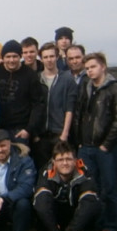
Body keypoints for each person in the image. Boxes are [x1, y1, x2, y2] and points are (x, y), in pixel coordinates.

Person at [73, 52, 117, 231]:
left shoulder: (115, 89)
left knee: (110, 187)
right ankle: (93, 224)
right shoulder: (85, 86)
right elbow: (79, 113)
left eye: (93, 67)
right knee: (89, 186)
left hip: (106, 148)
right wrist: (79, 140)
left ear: (103, 66)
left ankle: (111, 225)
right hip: (86, 147)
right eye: (87, 68)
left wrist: (106, 144)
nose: (90, 71)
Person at [34, 140, 101, 231]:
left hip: (75, 211)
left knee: (93, 203)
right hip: (57, 213)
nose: (65, 163)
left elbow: (87, 206)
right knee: (39, 202)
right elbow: (42, 205)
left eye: (69, 159)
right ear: (54, 162)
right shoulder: (46, 172)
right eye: (60, 160)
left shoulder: (85, 173)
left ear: (75, 161)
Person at [33, 42, 78, 170]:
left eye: (52, 56)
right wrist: (35, 134)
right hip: (40, 135)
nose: (49, 60)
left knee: (61, 169)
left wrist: (64, 134)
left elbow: (70, 108)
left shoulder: (67, 79)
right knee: (43, 170)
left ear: (57, 57)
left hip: (59, 133)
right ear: (41, 59)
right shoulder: (37, 79)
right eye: (46, 57)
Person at [0, 40, 45, 148]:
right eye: (8, 56)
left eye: (15, 56)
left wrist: (29, 129)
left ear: (20, 56)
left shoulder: (30, 75)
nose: (11, 60)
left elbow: (38, 104)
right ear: (3, 57)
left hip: (21, 129)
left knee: (20, 161)